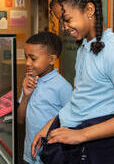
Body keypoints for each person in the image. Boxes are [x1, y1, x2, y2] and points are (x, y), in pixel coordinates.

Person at [31, 0, 114, 164]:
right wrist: (50, 124)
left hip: (96, 146)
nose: (64, 27)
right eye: (62, 21)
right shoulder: (84, 48)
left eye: (67, 20)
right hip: (76, 138)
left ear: (89, 10)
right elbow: (81, 98)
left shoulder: (111, 50)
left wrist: (80, 135)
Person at [18, 31, 72, 164]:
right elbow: (20, 119)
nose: (27, 63)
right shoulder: (29, 80)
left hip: (52, 157)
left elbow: (71, 123)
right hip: (29, 156)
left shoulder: (63, 87)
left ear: (52, 60)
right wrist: (25, 95)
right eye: (26, 57)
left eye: (33, 58)